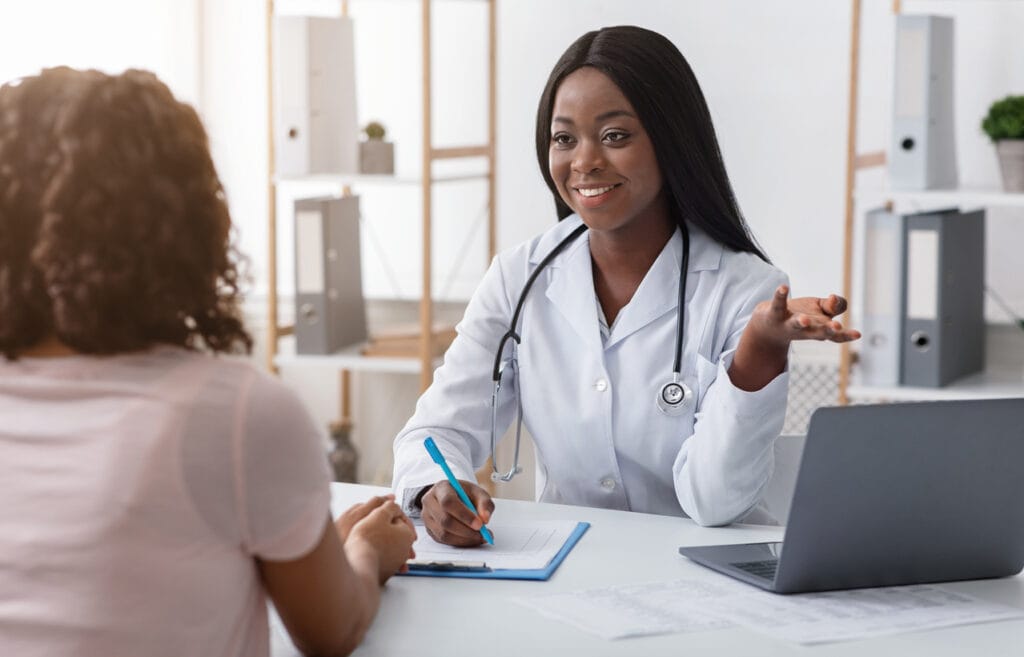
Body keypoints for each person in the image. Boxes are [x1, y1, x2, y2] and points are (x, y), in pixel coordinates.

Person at [0, 67, 416, 657]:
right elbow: (332, 631)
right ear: (185, 224)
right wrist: (369, 553)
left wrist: (319, 541)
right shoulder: (237, 413)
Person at [392, 25, 860, 545]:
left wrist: (758, 353)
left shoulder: (744, 289)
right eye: (564, 138)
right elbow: (434, 432)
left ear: (671, 141)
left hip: (704, 581)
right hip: (568, 569)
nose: (584, 161)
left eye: (615, 136)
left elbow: (716, 502)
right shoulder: (518, 277)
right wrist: (436, 486)